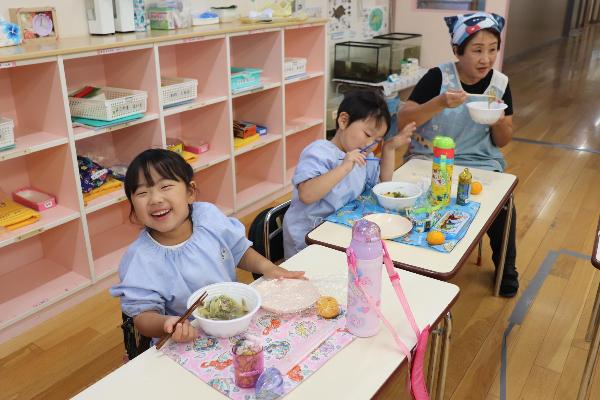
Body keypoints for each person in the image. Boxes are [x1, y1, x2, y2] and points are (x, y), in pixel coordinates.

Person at [110, 149, 304, 343]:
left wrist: (269, 268)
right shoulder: (140, 258)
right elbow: (143, 316)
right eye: (142, 193)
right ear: (133, 210)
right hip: (187, 337)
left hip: (233, 319)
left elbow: (239, 251)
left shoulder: (208, 217)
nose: (155, 199)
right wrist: (167, 323)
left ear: (190, 192)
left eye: (166, 186)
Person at [397, 12, 519, 297]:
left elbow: (503, 140)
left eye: (492, 50)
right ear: (457, 50)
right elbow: (404, 120)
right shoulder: (438, 77)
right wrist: (439, 102)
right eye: (477, 50)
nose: (485, 59)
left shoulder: (499, 83)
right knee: (417, 201)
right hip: (428, 160)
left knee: (502, 206)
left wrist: (499, 118)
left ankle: (507, 267)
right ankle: (414, 263)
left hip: (480, 162)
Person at [283, 90, 416, 259]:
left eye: (376, 140)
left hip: (339, 232)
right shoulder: (319, 152)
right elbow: (307, 194)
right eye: (368, 134)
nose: (370, 144)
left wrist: (388, 148)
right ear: (343, 121)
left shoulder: (361, 155)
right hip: (308, 240)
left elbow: (384, 183)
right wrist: (345, 166)